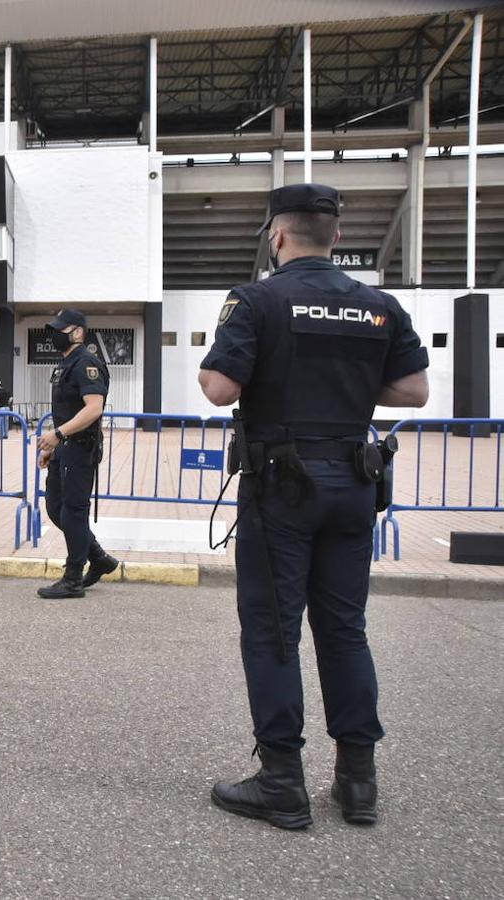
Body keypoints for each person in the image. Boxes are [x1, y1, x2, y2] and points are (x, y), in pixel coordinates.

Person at [199, 183, 430, 831]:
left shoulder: (257, 300)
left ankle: (281, 784)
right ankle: (358, 783)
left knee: (274, 631)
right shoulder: (378, 306)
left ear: (277, 236)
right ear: (334, 237)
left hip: (283, 487)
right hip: (353, 483)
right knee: (343, 628)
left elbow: (220, 389)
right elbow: (412, 390)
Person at [34, 309, 121, 600]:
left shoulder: (86, 362)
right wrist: (55, 446)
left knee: (73, 511)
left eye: (62, 328)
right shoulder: (66, 364)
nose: (56, 333)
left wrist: (57, 435)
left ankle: (73, 578)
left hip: (80, 448)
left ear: (79, 332)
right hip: (64, 448)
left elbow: (94, 407)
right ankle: (99, 558)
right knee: (56, 507)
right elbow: (66, 411)